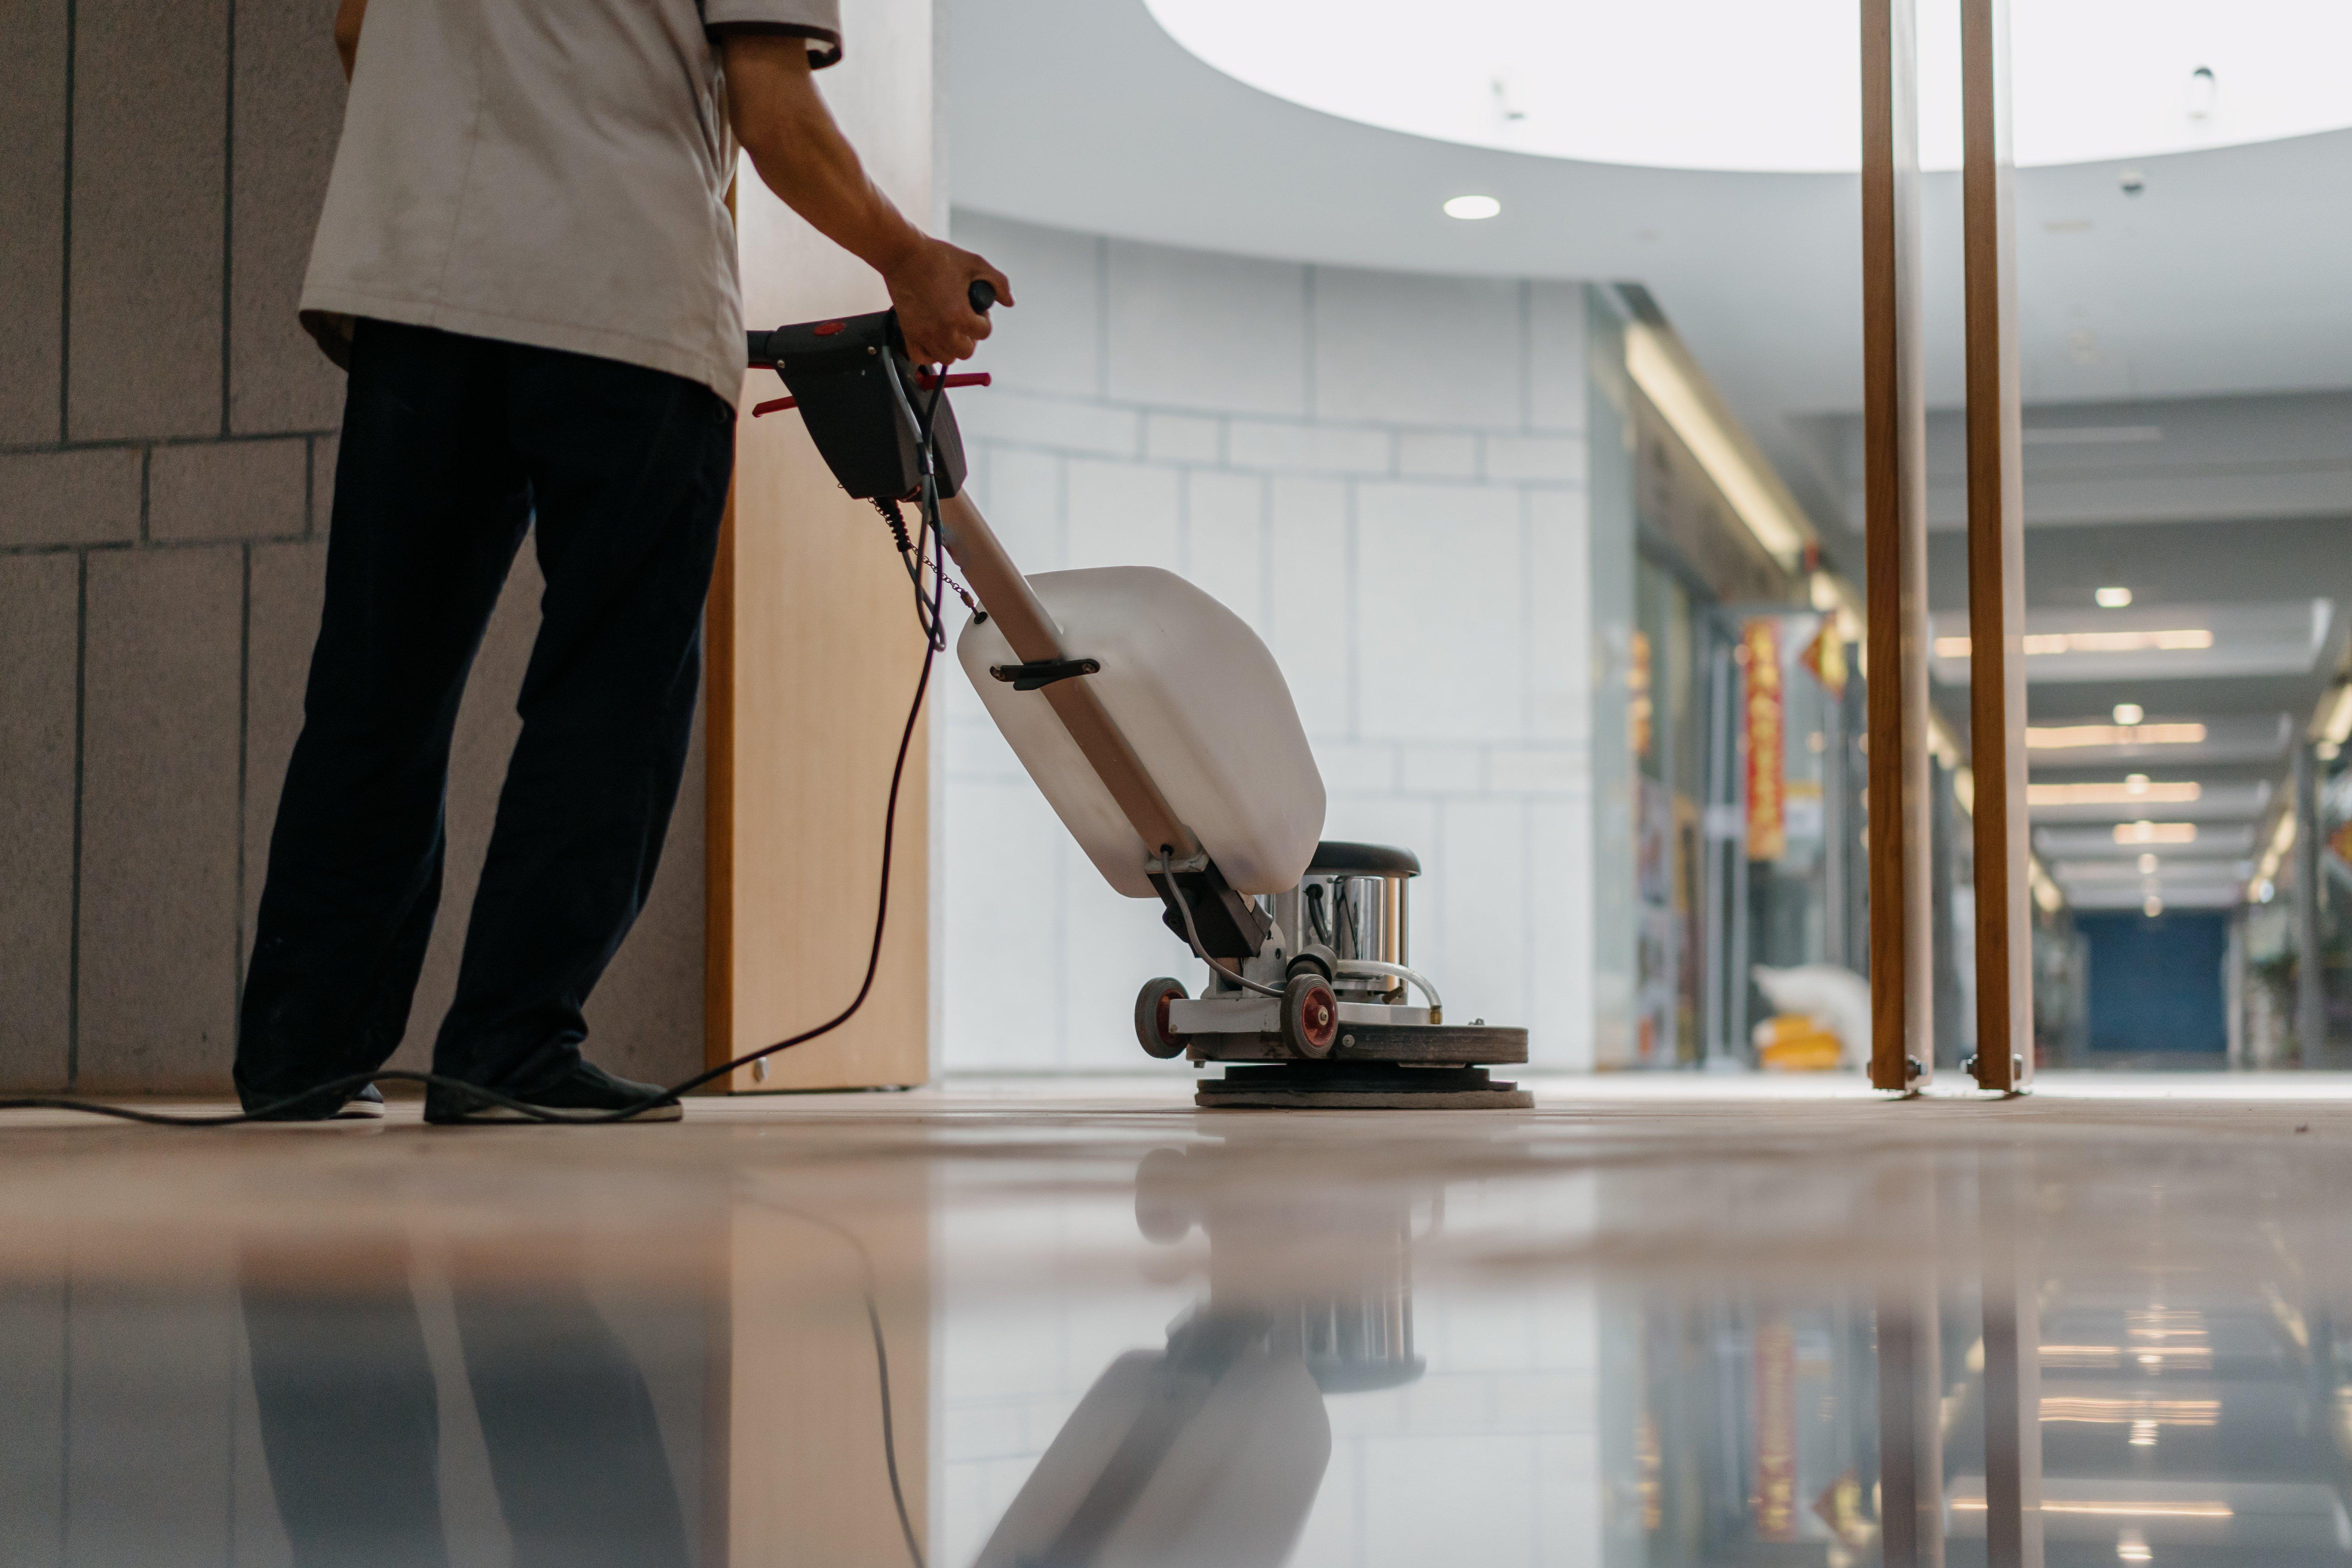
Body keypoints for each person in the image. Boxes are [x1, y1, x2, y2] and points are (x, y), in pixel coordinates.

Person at [234, 0, 1011, 1123]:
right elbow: (775, 107)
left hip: (417, 280)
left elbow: (358, 28)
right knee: (611, 692)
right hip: (620, 296)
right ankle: (506, 1042)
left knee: (379, 682)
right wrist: (907, 256)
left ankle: (298, 1054)